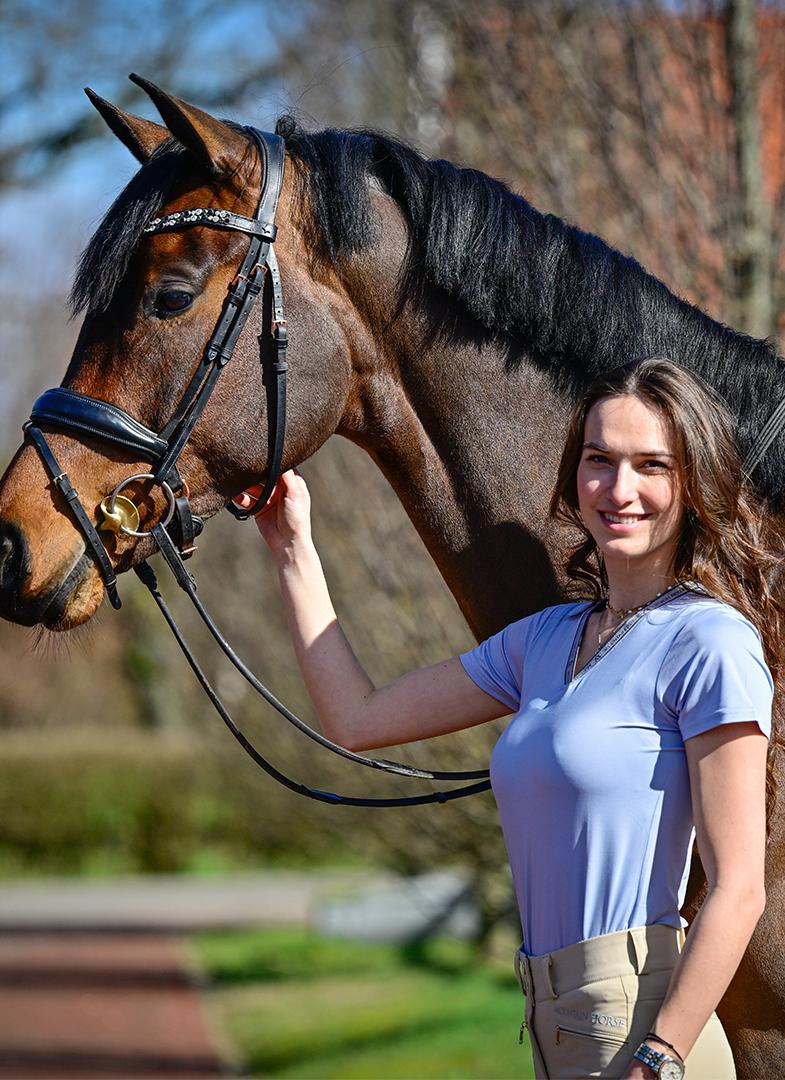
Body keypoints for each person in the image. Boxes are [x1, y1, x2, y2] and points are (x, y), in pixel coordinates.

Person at [233, 357, 780, 1080]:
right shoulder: (542, 640)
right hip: (550, 1020)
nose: (620, 489)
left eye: (652, 465)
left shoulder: (709, 643)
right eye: (598, 461)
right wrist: (293, 548)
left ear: (692, 482)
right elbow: (356, 718)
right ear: (572, 477)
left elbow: (738, 886)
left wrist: (661, 1056)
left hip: (641, 1022)